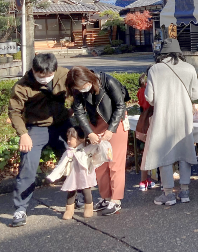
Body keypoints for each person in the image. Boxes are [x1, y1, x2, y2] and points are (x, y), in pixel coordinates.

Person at [8, 53, 71, 227]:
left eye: (49, 75)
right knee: (28, 165)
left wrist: (72, 113)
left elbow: (75, 93)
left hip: (62, 124)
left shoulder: (64, 74)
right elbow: (14, 112)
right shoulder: (22, 86)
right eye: (41, 76)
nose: (45, 79)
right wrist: (23, 134)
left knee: (74, 160)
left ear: (55, 70)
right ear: (34, 71)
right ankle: (20, 208)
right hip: (36, 127)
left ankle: (79, 198)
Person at [142, 38, 198, 206]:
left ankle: (168, 193)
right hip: (183, 117)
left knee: (165, 154)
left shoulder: (155, 70)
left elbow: (150, 98)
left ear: (162, 53)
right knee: (185, 153)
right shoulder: (189, 68)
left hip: (163, 116)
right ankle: (184, 191)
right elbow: (196, 94)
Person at [68, 66, 128, 216]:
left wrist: (111, 129)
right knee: (99, 164)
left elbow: (120, 105)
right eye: (78, 88)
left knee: (115, 163)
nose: (82, 89)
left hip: (115, 122)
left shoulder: (107, 81)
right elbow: (79, 112)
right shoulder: (77, 90)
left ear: (89, 79)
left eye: (82, 86)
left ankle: (115, 200)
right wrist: (89, 133)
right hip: (95, 124)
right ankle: (105, 197)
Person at [47, 127, 96, 220]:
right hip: (72, 175)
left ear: (80, 140)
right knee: (71, 191)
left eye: (71, 139)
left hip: (84, 174)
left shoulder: (86, 149)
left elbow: (97, 149)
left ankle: (89, 208)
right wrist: (53, 176)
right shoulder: (68, 152)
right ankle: (69, 210)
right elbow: (60, 165)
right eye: (68, 138)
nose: (68, 141)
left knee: (86, 191)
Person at [136, 71, 157, 191]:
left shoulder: (139, 92)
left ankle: (144, 180)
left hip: (143, 120)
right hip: (152, 119)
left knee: (146, 151)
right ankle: (148, 178)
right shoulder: (147, 92)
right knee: (151, 152)